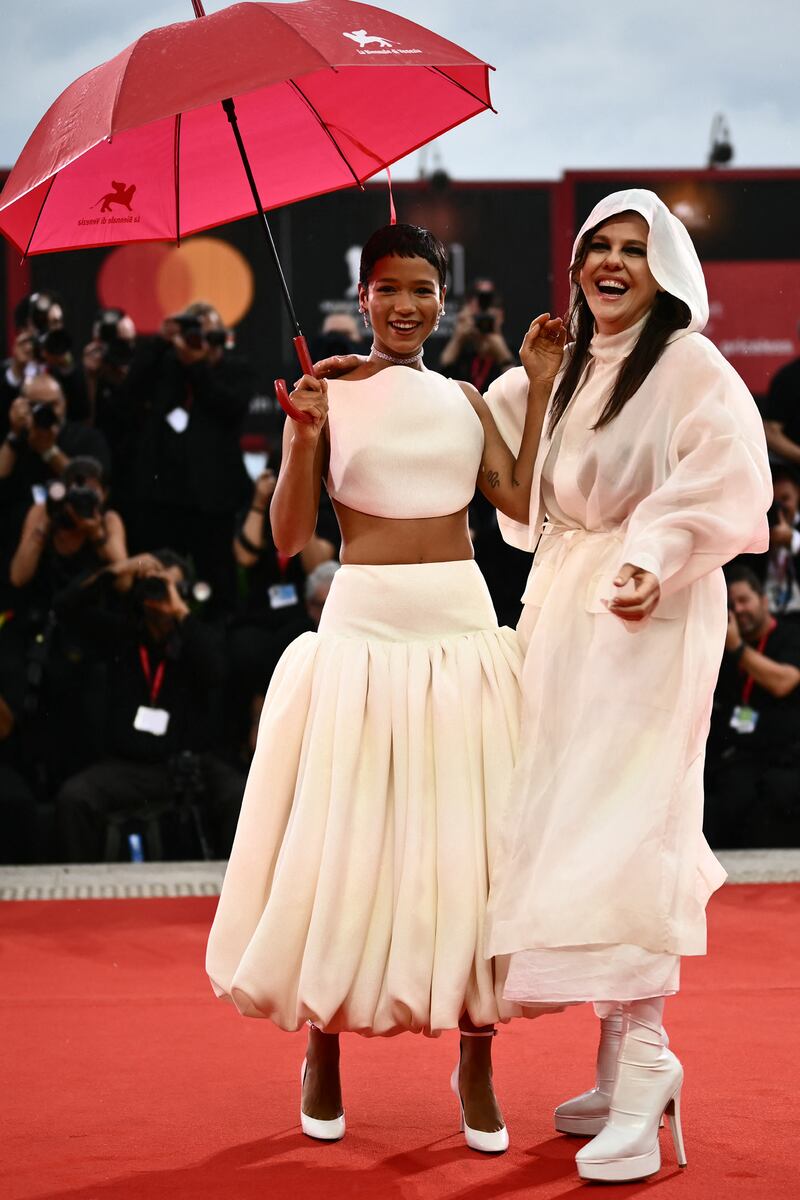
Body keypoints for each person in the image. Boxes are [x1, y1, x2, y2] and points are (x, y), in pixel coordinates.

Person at [206, 223, 565, 1152]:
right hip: (362, 630)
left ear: (442, 300)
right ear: (360, 296)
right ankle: (322, 1050)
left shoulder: (467, 401)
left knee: (474, 852)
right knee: (348, 845)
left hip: (462, 630)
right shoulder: (324, 394)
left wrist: (547, 381)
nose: (405, 305)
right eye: (387, 288)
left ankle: (477, 1061)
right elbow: (289, 539)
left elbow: (522, 504)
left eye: (422, 288)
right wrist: (302, 439)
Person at [482, 189, 771, 1182]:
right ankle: (614, 1063)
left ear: (667, 271)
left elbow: (726, 478)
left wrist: (653, 556)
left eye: (633, 250)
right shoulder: (564, 365)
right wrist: (514, 380)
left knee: (629, 824)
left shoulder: (689, 365)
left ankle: (646, 1064)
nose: (610, 263)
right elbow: (520, 499)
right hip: (562, 615)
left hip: (646, 614)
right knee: (570, 821)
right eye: (597, 246)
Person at [55, 549, 245, 862]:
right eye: (155, 586)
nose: (161, 595)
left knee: (239, 795)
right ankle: (79, 893)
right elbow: (65, 609)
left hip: (189, 764)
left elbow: (217, 671)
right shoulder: (123, 635)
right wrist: (119, 570)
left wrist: (181, 611)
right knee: (74, 798)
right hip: (129, 767)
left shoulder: (196, 634)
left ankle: (234, 899)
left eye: (170, 586)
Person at [705, 566, 800, 848]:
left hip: (787, 757)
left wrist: (737, 649)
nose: (738, 610)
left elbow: (783, 682)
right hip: (742, 756)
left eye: (744, 600)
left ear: (764, 600)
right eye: (732, 605)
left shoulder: (791, 635)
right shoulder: (721, 648)